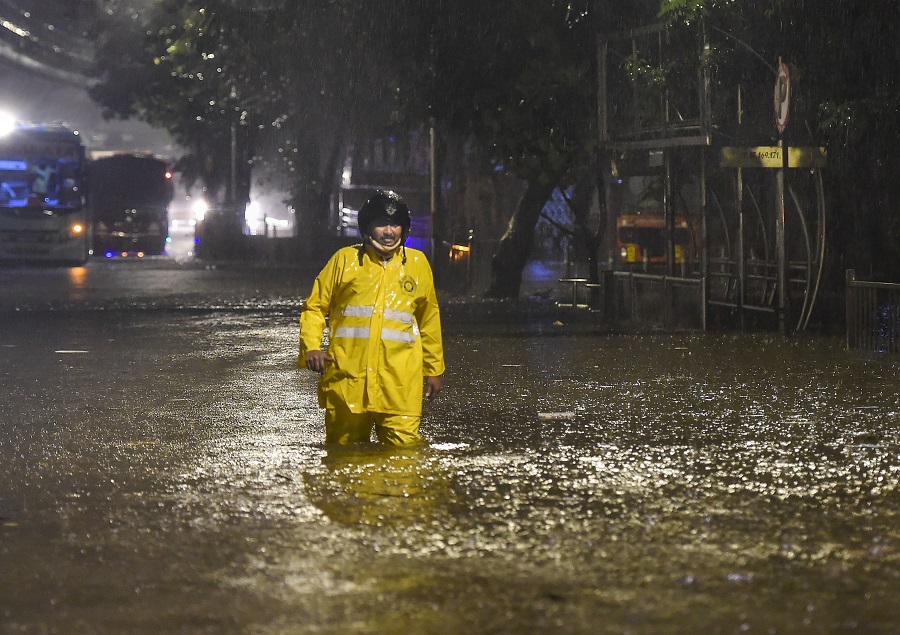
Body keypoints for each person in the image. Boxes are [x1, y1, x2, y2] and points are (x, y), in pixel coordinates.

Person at [299, 190, 445, 447]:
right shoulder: (344, 261)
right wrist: (312, 347)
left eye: (395, 224)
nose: (389, 231)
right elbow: (314, 307)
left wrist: (434, 370)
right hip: (348, 383)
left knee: (404, 461)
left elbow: (429, 319)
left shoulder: (418, 265)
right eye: (381, 224)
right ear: (367, 227)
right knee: (344, 461)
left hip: (400, 385)